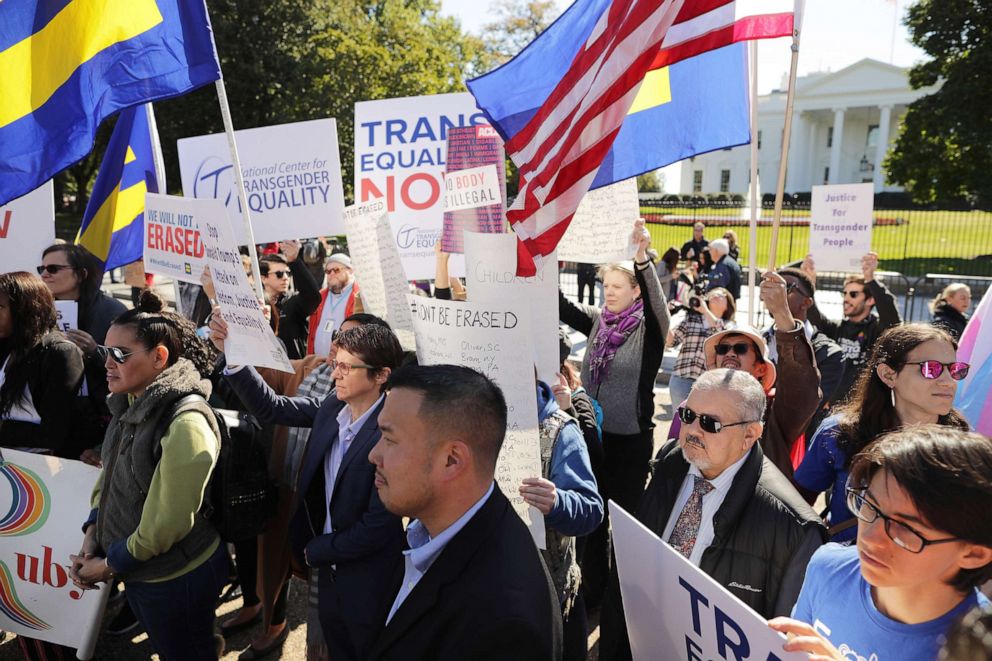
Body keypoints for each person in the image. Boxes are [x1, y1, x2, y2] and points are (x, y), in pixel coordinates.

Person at [210, 318, 405, 661]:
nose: (336, 373)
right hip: (324, 568)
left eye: (347, 367)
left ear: (381, 375)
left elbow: (377, 525)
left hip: (364, 573)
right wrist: (234, 354)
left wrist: (317, 549)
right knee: (323, 643)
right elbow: (272, 407)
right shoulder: (333, 405)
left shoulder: (394, 435)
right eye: (335, 364)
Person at [599, 369, 826, 660]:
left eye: (710, 423)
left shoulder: (793, 528)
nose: (692, 430)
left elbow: (783, 646)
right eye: (688, 415)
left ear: (750, 434)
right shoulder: (672, 460)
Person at [70, 290, 227, 660]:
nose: (106, 363)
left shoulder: (186, 421)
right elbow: (108, 479)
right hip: (142, 573)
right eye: (105, 352)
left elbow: (166, 524)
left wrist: (107, 565)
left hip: (175, 578)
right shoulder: (129, 399)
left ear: (160, 358)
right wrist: (93, 534)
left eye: (119, 355)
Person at [367, 365, 562, 660]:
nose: (374, 455)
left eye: (390, 439)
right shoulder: (432, 534)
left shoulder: (504, 628)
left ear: (451, 460)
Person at [770, 426, 992, 661]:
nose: (870, 539)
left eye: (905, 528)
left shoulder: (979, 647)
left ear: (974, 554)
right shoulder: (828, 568)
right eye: (870, 506)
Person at [795, 324, 970, 542]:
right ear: (888, 375)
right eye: (930, 368)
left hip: (927, 572)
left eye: (954, 369)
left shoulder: (963, 443)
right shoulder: (839, 433)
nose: (948, 381)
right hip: (853, 567)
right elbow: (797, 507)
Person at [666, 272, 823, 496]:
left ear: (760, 368)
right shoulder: (687, 410)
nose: (729, 353)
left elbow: (803, 388)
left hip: (752, 517)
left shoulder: (775, 413)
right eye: (722, 349)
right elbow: (673, 466)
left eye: (740, 349)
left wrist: (782, 314)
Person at [558, 219, 670, 516]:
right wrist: (547, 256)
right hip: (592, 436)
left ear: (636, 291)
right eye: (605, 285)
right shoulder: (599, 321)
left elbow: (657, 304)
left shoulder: (649, 331)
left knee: (623, 524)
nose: (609, 292)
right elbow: (560, 306)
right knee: (592, 526)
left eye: (617, 286)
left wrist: (641, 258)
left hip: (630, 445)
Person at [523, 378, 603, 661]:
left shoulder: (560, 431)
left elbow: (592, 509)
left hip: (551, 596)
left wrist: (558, 503)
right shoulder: (466, 421)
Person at [38, 243, 128, 462]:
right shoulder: (39, 310)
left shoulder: (111, 310)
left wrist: (95, 351)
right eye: (41, 269)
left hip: (99, 420)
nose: (45, 275)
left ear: (81, 274)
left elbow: (131, 361)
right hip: (56, 418)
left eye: (53, 269)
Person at [0, 271, 85, 458]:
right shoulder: (8, 347)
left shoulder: (59, 353)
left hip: (37, 475)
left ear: (25, 310)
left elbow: (54, 433)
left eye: (0, 307)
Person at [803, 251, 902, 403]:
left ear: (870, 300)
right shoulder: (837, 328)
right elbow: (812, 314)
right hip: (832, 407)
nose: (846, 299)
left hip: (863, 408)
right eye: (845, 294)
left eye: (854, 294)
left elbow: (891, 316)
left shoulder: (877, 331)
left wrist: (870, 279)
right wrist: (809, 283)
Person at [763, 267, 845, 435]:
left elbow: (806, 408)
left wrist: (782, 312)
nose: (777, 292)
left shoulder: (829, 353)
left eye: (786, 287)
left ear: (806, 303)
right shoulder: (757, 340)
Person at [667, 287, 736, 406]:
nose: (715, 295)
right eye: (713, 294)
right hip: (681, 378)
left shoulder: (729, 325)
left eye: (721, 295)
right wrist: (665, 316)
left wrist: (705, 311)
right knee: (679, 422)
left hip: (709, 384)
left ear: (728, 305)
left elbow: (722, 332)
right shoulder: (691, 319)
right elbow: (671, 342)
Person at [259, 242, 322, 360]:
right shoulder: (257, 304)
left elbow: (313, 297)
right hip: (265, 370)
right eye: (279, 274)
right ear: (263, 278)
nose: (285, 277)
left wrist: (294, 261)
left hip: (293, 371)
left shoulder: (293, 302)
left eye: (288, 273)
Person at [307, 253, 363, 356]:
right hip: (317, 363)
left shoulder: (360, 297)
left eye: (336, 270)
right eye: (328, 271)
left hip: (344, 365)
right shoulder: (319, 296)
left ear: (350, 270)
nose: (331, 273)